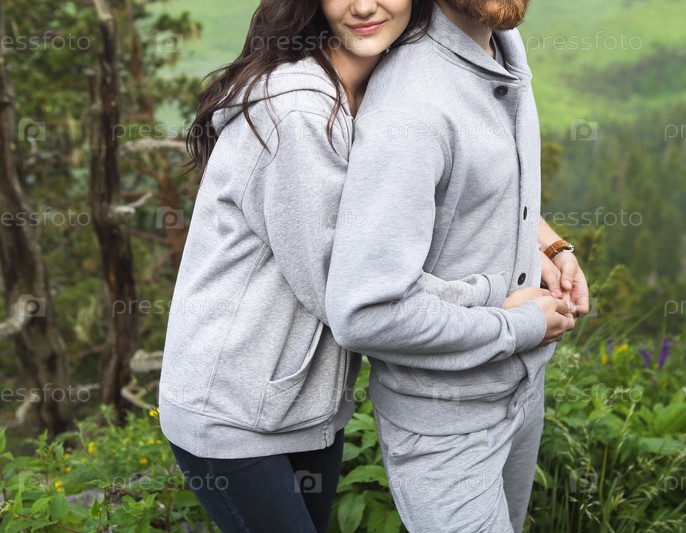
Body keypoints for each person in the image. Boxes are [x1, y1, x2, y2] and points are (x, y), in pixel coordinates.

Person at [157, 1, 532, 531]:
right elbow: (351, 291)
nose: (362, 6)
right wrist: (498, 299)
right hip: (231, 413)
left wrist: (540, 239)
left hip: (306, 406)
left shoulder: (379, 83)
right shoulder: (297, 114)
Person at [325, 0, 590, 531]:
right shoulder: (410, 108)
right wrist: (521, 325)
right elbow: (366, 313)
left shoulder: (499, 45)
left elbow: (476, 191)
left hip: (521, 392)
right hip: (446, 426)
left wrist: (547, 248)